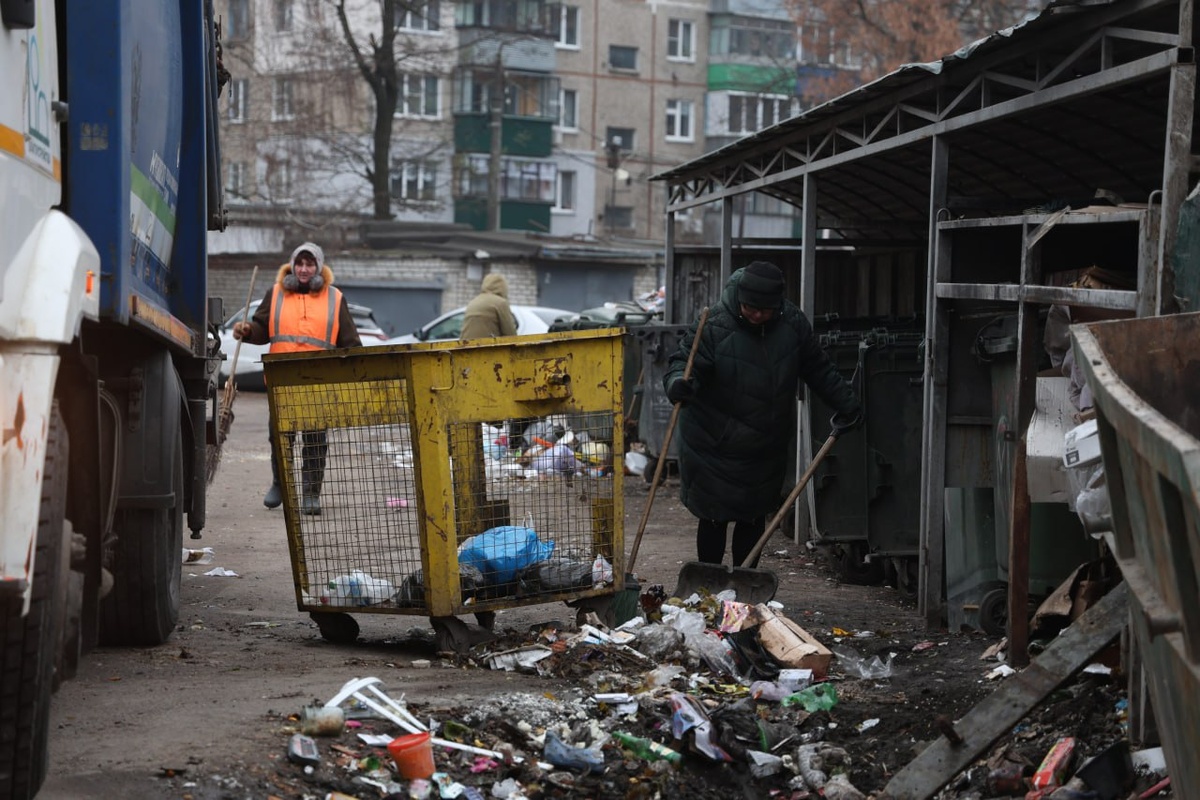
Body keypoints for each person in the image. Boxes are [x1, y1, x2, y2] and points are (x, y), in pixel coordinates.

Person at [662, 261, 863, 568]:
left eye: (764, 310)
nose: (756, 315)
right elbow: (684, 363)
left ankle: (744, 580)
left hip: (764, 444)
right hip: (712, 442)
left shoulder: (792, 324)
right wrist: (679, 384)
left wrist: (847, 403)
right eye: (750, 308)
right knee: (713, 515)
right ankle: (710, 580)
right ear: (739, 299)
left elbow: (818, 368)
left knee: (753, 515)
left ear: (777, 304)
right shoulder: (714, 323)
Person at [233, 242, 361, 515]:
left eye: (309, 264)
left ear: (318, 267)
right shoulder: (276, 293)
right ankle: (280, 485)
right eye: (299, 264)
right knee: (280, 438)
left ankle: (311, 494)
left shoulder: (335, 298)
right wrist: (247, 331)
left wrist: (353, 372)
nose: (303, 269)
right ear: (292, 266)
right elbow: (262, 328)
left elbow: (350, 343)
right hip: (282, 381)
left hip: (318, 384)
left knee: (315, 440)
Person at [460, 272, 517, 340]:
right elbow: (510, 333)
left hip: (466, 345)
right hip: (487, 345)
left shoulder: (473, 301)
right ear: (503, 287)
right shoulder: (500, 303)